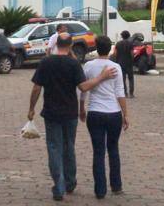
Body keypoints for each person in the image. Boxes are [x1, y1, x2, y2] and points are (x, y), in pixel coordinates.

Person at [28, 33, 117, 201]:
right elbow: (83, 87)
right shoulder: (73, 64)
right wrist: (101, 77)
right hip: (70, 113)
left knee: (54, 148)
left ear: (56, 45)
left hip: (51, 112)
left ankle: (59, 185)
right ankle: (70, 182)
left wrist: (31, 108)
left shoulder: (46, 63)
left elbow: (36, 88)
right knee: (69, 147)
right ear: (69, 46)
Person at [80, 35, 129, 199]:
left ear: (95, 47)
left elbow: (82, 90)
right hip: (114, 113)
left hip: (95, 112)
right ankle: (116, 186)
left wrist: (81, 107)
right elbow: (120, 92)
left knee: (98, 152)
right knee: (113, 149)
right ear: (110, 49)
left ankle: (100, 189)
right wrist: (125, 113)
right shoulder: (115, 67)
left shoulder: (88, 66)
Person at [113, 31, 135, 98]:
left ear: (122, 36)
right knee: (131, 78)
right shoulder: (130, 44)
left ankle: (125, 93)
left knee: (123, 79)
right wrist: (132, 60)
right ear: (128, 36)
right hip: (129, 63)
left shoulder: (118, 44)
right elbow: (132, 54)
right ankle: (131, 93)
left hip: (120, 63)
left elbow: (115, 54)